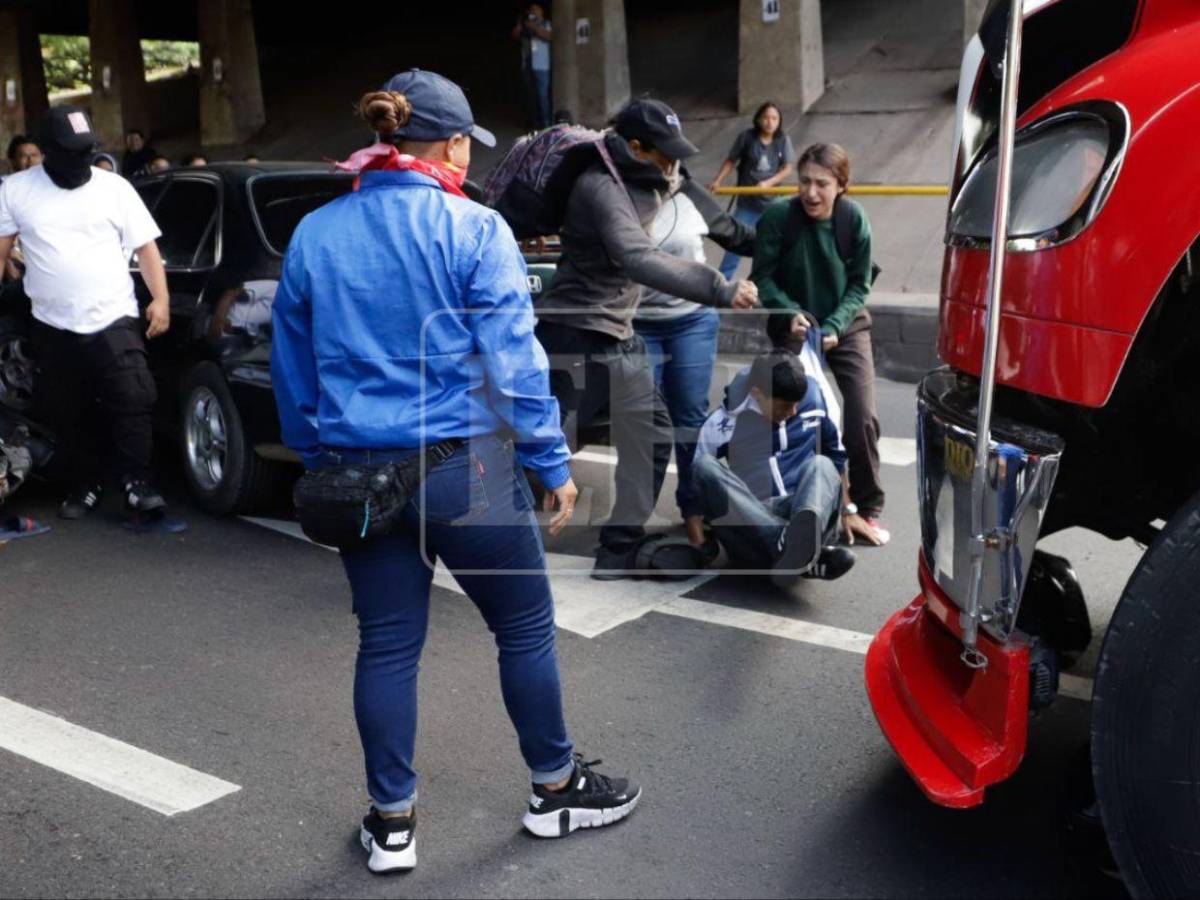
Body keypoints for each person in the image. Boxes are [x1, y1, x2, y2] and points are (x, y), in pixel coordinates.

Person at [270, 69, 641, 875]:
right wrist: (548, 461)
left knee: (388, 645)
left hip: (359, 475)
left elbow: (293, 372)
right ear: (454, 143)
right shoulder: (474, 229)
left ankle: (391, 825)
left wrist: (319, 458)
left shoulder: (315, 234)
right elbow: (514, 362)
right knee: (524, 629)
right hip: (463, 470)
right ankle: (555, 789)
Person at [535, 96, 758, 578]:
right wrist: (719, 287)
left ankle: (618, 547)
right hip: (578, 335)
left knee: (653, 435)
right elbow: (637, 257)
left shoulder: (645, 177)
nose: (674, 164)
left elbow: (718, 221)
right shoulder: (600, 186)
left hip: (617, 336)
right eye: (665, 153)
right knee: (542, 442)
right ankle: (481, 534)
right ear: (634, 147)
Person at [0, 106, 178, 527]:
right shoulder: (16, 190)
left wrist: (161, 299)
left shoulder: (114, 188)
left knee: (134, 398)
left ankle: (138, 485)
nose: (82, 159)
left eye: (87, 151)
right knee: (69, 409)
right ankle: (87, 483)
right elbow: (3, 247)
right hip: (52, 323)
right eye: (71, 152)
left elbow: (146, 247)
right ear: (45, 152)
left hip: (113, 314)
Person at [751, 142, 889, 544]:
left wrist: (835, 325)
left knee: (861, 415)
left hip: (844, 326)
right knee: (793, 414)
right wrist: (787, 311)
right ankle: (791, 500)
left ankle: (867, 508)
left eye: (822, 184)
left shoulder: (853, 220)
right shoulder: (779, 217)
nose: (811, 193)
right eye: (805, 182)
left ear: (841, 186)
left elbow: (860, 284)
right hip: (792, 324)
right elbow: (762, 278)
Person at [633, 173, 756, 549]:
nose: (669, 166)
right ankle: (630, 523)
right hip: (639, 323)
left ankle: (693, 511)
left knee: (689, 420)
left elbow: (740, 237)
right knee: (643, 423)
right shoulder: (620, 195)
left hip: (692, 321)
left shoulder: (689, 193)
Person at [692, 347, 857, 587]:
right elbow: (694, 490)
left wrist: (847, 511)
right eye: (785, 406)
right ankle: (795, 550)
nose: (793, 412)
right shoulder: (722, 423)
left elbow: (836, 455)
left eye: (797, 405)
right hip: (754, 520)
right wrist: (699, 545)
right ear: (758, 393)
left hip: (805, 508)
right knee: (703, 467)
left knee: (821, 463)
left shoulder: (813, 399)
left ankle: (797, 545)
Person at [708, 102, 795, 280]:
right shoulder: (747, 137)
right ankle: (723, 285)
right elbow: (731, 161)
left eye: (774, 118)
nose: (770, 122)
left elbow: (787, 168)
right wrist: (718, 181)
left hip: (772, 204)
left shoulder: (783, 140)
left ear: (779, 121)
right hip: (748, 204)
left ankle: (773, 283)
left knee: (776, 245)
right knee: (735, 245)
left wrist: (768, 183)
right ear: (758, 119)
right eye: (766, 117)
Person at [511, 2, 553, 130]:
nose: (533, 12)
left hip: (542, 66)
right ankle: (532, 124)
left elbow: (549, 36)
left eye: (536, 10)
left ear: (541, 12)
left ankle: (546, 124)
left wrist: (534, 27)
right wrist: (519, 24)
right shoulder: (525, 25)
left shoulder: (546, 24)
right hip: (527, 66)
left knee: (543, 96)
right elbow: (514, 36)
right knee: (530, 96)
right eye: (531, 10)